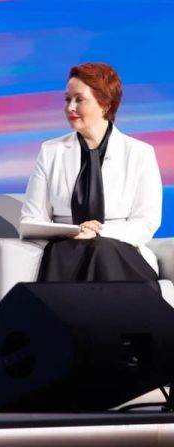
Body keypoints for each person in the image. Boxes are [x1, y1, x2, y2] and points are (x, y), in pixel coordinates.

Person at [20, 62, 162, 290]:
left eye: (79, 100)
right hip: (66, 250)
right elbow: (31, 220)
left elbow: (146, 222)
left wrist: (97, 232)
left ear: (105, 104)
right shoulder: (50, 152)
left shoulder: (140, 153)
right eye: (67, 99)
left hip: (122, 252)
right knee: (71, 251)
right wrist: (74, 232)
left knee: (100, 249)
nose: (70, 108)